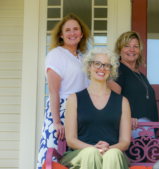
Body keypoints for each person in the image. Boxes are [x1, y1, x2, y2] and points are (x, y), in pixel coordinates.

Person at [60, 47, 131, 169]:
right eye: (97, 63)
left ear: (111, 70)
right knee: (91, 153)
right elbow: (71, 139)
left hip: (112, 154)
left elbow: (125, 142)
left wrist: (108, 149)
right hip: (79, 155)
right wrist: (94, 148)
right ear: (89, 66)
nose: (101, 68)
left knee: (112, 155)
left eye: (106, 65)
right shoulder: (74, 99)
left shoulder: (122, 102)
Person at [37, 14, 91, 169]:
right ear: (61, 35)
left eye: (76, 29)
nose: (72, 33)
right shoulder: (56, 54)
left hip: (81, 112)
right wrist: (56, 122)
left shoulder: (82, 58)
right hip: (61, 111)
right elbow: (54, 91)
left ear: (81, 34)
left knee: (74, 159)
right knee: (54, 158)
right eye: (67, 30)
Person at [107, 31, 158, 138]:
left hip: (147, 130)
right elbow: (112, 100)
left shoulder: (141, 75)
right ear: (119, 49)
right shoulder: (117, 69)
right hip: (130, 129)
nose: (132, 50)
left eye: (135, 46)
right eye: (127, 46)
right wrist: (126, 118)